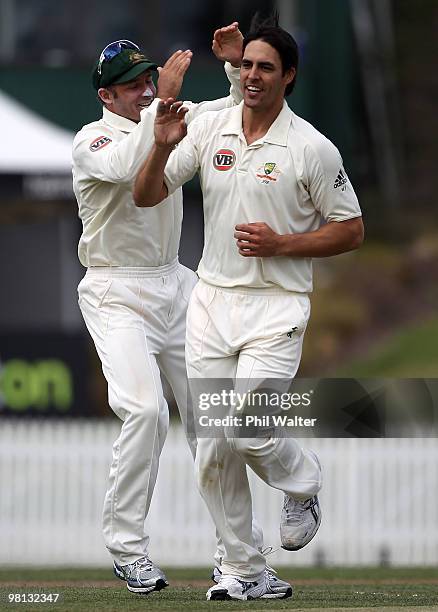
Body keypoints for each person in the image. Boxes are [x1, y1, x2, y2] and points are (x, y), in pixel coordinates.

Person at [133, 13, 364, 602]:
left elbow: (352, 230)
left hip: (277, 305)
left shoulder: (312, 148)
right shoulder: (211, 127)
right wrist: (159, 149)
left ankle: (303, 481)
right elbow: (146, 194)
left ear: (289, 76)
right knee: (210, 447)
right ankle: (244, 569)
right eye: (247, 66)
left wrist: (283, 244)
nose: (254, 76)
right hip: (211, 302)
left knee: (249, 430)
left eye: (266, 67)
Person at [72, 26, 291, 599]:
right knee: (145, 412)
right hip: (114, 289)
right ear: (106, 96)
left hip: (174, 283)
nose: (146, 92)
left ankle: (239, 562)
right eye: (133, 86)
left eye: (149, 81)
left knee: (213, 419)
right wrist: (164, 107)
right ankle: (126, 549)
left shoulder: (168, 112)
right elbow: (127, 165)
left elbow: (226, 108)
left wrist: (232, 66)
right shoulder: (90, 142)